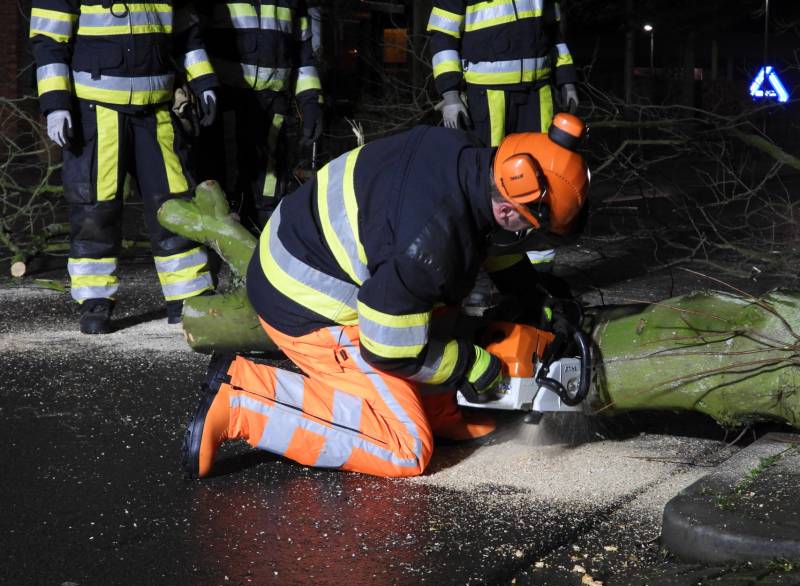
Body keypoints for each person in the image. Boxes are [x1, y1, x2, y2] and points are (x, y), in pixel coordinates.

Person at [181, 113, 590, 479]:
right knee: (405, 448)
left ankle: (436, 406)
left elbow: (485, 238)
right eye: (530, 227)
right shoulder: (426, 249)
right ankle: (242, 400)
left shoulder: (468, 158)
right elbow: (389, 349)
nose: (527, 236)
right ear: (509, 209)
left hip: (312, 246)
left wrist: (529, 290)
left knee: (438, 295)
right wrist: (465, 363)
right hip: (307, 302)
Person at [30, 0, 219, 333]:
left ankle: (188, 297)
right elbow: (48, 41)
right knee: (95, 208)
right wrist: (56, 104)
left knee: (174, 205)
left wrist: (204, 84)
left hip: (157, 111)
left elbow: (188, 35)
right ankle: (94, 301)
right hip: (96, 110)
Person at [427, 0, 579, 273]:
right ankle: (490, 271)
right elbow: (442, 36)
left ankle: (540, 270)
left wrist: (566, 79)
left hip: (538, 92)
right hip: (488, 97)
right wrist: (450, 93)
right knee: (491, 182)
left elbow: (555, 32)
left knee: (544, 177)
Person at [196, 0, 324, 230]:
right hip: (227, 96)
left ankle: (265, 232)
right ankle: (221, 237)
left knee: (270, 176)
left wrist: (311, 101)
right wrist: (200, 87)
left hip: (274, 100)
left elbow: (304, 54)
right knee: (224, 173)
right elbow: (193, 41)